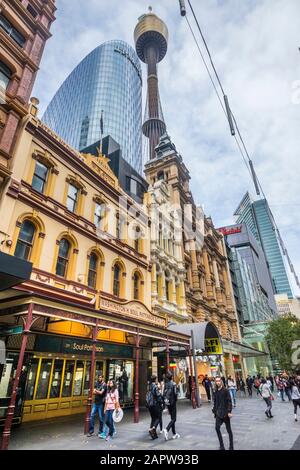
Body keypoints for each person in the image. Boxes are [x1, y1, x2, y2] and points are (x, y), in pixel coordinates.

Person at [212, 376, 234, 451]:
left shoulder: (226, 390)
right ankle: (222, 446)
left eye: (219, 381)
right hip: (218, 413)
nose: (217, 382)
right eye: (216, 381)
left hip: (225, 414)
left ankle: (231, 447)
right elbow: (215, 402)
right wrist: (214, 411)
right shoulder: (215, 391)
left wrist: (229, 411)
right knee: (217, 428)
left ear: (221, 381)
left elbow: (229, 401)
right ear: (215, 382)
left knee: (229, 431)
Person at [163, 371, 180, 440]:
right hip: (173, 402)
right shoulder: (173, 384)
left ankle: (174, 433)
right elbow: (176, 393)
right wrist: (176, 399)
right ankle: (167, 429)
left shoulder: (166, 384)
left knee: (172, 418)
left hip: (168, 403)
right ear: (172, 377)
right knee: (174, 419)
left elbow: (164, 393)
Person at [147, 375, 164, 439]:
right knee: (158, 418)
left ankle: (150, 429)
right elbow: (158, 396)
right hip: (155, 404)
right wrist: (161, 402)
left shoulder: (149, 386)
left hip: (149, 404)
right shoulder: (155, 386)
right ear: (155, 379)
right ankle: (153, 428)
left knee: (153, 418)